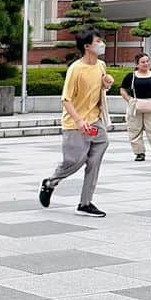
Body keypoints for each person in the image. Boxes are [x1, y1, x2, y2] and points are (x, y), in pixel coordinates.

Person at [38, 29, 114, 218]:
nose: (101, 43)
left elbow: (98, 90)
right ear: (87, 46)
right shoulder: (76, 69)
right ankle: (50, 182)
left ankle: (85, 203)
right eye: (98, 41)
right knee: (75, 161)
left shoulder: (101, 65)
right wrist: (79, 121)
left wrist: (106, 84)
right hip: (75, 124)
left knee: (98, 151)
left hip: (94, 122)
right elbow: (66, 99)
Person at [120, 53, 151, 163]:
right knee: (134, 130)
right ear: (137, 64)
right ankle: (139, 153)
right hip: (135, 104)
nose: (146, 64)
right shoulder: (131, 76)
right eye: (143, 62)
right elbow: (123, 89)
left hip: (150, 104)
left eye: (147, 61)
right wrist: (129, 100)